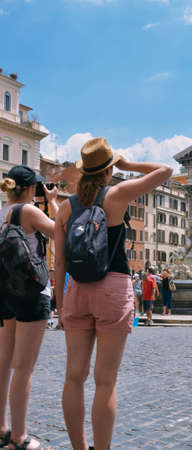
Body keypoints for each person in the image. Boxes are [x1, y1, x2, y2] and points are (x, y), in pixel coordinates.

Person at [54, 137, 172, 450]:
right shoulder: (118, 195)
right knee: (105, 382)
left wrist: (60, 305)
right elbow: (166, 170)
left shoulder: (65, 207)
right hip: (113, 286)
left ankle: (79, 447)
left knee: (73, 377)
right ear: (108, 170)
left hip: (76, 290)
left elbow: (60, 262)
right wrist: (128, 164)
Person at [0, 166, 58, 450]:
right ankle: (19, 438)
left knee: (4, 362)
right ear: (31, 188)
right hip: (32, 292)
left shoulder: (2, 211)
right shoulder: (30, 211)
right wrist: (55, 202)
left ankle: (1, 427)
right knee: (24, 368)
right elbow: (62, 233)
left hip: (5, 292)